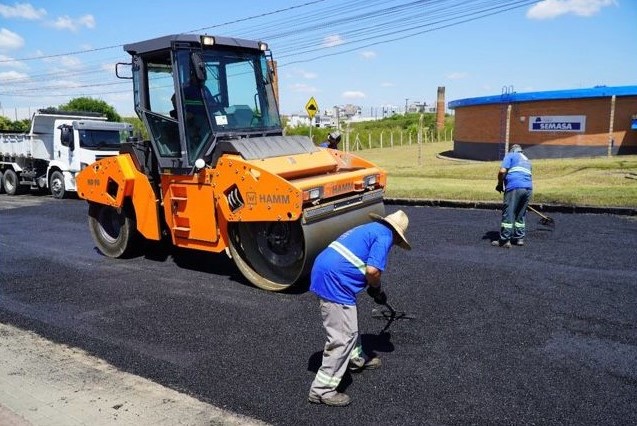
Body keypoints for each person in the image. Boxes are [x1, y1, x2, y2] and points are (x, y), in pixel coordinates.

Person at [308, 209, 411, 407]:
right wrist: (376, 289)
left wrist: (373, 288)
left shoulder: (372, 228)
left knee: (349, 326)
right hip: (334, 280)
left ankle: (355, 360)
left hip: (330, 271)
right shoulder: (384, 237)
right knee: (342, 338)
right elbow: (372, 271)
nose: (396, 244)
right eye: (399, 241)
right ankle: (321, 391)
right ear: (398, 235)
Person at [492, 144, 533, 248]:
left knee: (509, 213)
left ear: (512, 150)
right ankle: (519, 238)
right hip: (528, 188)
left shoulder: (510, 155)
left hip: (514, 187)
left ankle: (505, 240)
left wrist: (500, 184)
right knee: (520, 213)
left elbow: (502, 171)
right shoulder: (527, 160)